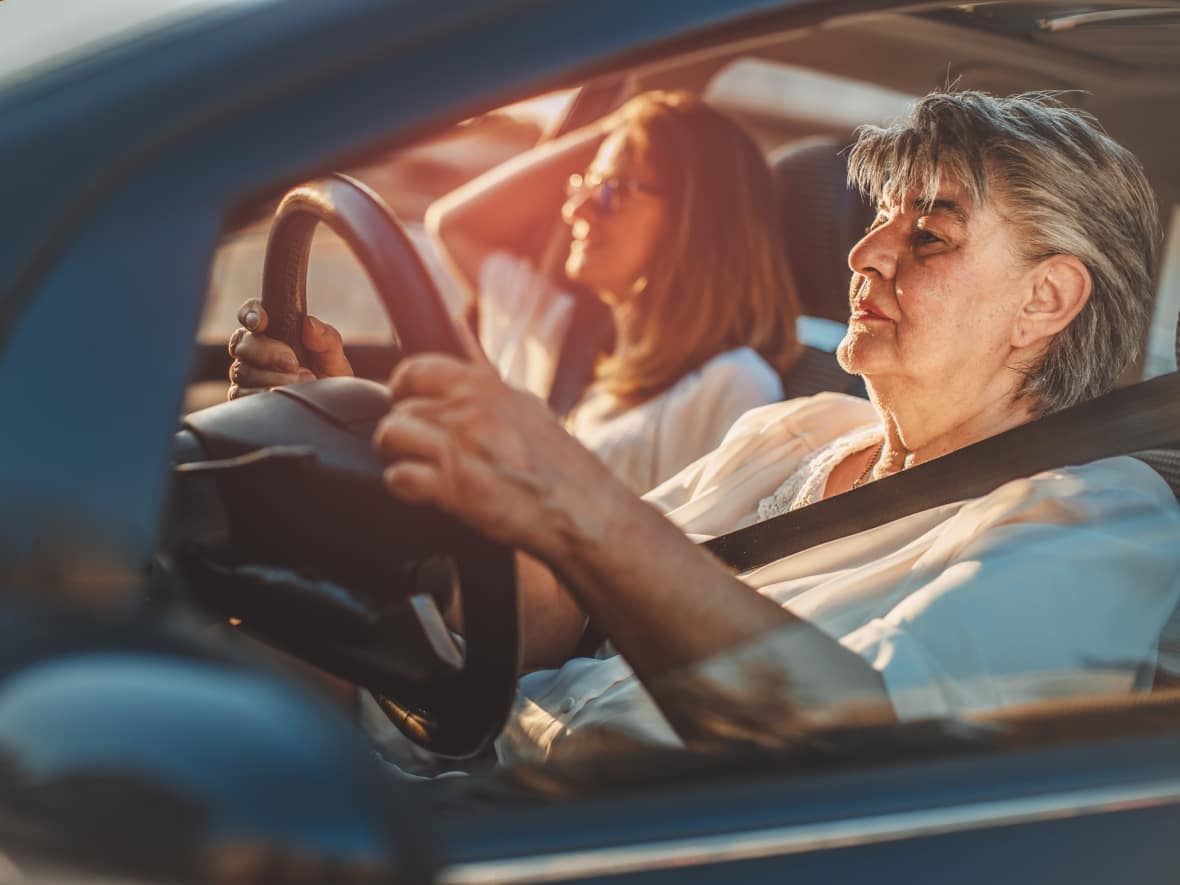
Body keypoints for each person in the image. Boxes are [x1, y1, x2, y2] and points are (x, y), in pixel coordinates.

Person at [366, 90, 1180, 765]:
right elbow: (568, 614)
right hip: (453, 759)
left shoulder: (1102, 519)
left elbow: (873, 759)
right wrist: (372, 487)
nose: (864, 251)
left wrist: (582, 502)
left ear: (1044, 301)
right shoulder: (794, 430)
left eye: (928, 235)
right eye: (881, 220)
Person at [228, 90, 803, 494]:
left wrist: (649, 124)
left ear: (698, 219)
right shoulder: (566, 340)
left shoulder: (732, 387)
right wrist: (338, 399)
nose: (575, 206)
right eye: (584, 182)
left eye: (610, 192)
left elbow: (680, 582)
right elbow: (455, 223)